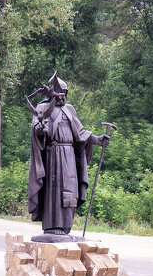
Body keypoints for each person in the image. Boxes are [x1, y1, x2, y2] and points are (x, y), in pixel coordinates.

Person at [26, 74, 108, 236]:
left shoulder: (69, 110)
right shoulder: (42, 108)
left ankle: (66, 225)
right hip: (53, 156)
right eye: (60, 93)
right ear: (53, 93)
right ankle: (52, 226)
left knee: (70, 189)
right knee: (55, 190)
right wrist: (40, 130)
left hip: (70, 156)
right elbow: (37, 131)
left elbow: (81, 133)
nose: (63, 97)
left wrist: (97, 139)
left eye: (65, 94)